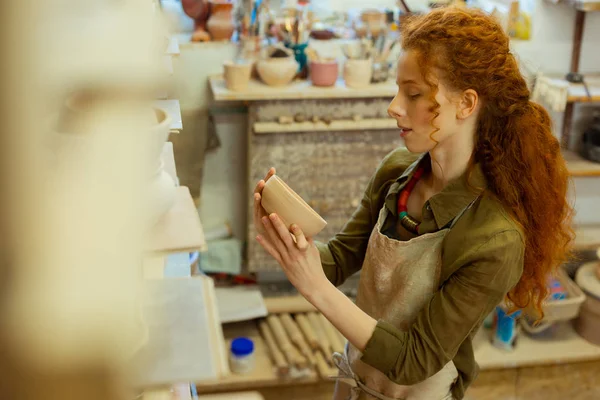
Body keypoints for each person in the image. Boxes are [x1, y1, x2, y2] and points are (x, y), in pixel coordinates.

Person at [252, 7, 574, 400]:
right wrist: (287, 233)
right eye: (398, 90)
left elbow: (413, 360)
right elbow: (338, 259)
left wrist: (315, 289)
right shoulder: (397, 173)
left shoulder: (495, 239)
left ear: (466, 103)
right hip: (358, 379)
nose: (394, 106)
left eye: (414, 93)